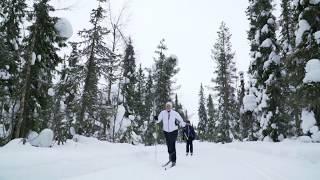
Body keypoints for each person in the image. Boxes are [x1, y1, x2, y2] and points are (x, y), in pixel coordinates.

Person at [155, 102, 186, 167]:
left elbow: (181, 120)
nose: (168, 107)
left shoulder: (175, 113)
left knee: (172, 145)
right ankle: (170, 158)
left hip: (174, 131)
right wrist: (156, 118)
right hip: (166, 131)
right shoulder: (163, 113)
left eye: (169, 106)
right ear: (165, 107)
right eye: (167, 106)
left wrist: (182, 124)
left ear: (171, 107)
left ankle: (174, 160)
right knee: (169, 145)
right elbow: (158, 120)